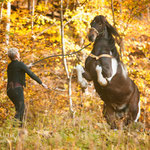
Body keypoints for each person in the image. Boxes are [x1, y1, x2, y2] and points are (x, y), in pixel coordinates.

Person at [7, 48, 48, 126]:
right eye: (18, 53)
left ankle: (20, 129)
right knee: (21, 109)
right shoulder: (20, 64)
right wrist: (41, 83)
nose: (19, 54)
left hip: (10, 91)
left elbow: (17, 71)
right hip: (17, 90)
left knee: (19, 109)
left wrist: (26, 67)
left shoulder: (10, 66)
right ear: (16, 55)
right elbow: (31, 74)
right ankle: (13, 127)